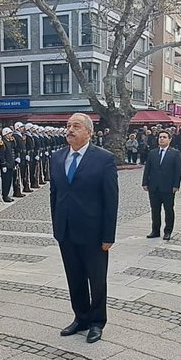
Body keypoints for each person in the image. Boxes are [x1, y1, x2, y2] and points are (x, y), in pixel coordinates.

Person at [51, 113, 118, 344]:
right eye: (68, 125)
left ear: (89, 132)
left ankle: (97, 322)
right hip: (66, 231)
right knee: (74, 277)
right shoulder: (57, 157)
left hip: (94, 232)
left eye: (76, 126)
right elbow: (55, 195)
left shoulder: (104, 159)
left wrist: (108, 235)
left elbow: (111, 200)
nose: (70, 129)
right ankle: (81, 317)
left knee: (97, 279)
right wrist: (56, 226)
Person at [142, 130, 181, 240]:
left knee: (168, 210)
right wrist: (145, 182)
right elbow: (147, 169)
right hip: (154, 186)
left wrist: (176, 185)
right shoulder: (153, 153)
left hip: (168, 187)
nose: (161, 139)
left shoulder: (175, 153)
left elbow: (178, 170)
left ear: (170, 139)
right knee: (155, 209)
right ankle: (155, 230)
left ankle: (168, 231)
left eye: (164, 137)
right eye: (160, 137)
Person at [0, 126, 17, 203]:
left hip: (11, 164)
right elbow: (1, 155)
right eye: (9, 134)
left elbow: (13, 150)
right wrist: (3, 164)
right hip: (6, 165)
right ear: (5, 134)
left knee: (9, 180)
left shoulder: (10, 142)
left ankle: (7, 194)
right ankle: (5, 195)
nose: (10, 135)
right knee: (6, 181)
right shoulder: (2, 143)